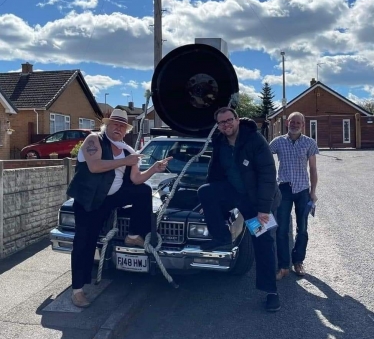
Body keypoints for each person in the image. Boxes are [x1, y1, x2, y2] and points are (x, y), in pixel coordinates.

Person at [66, 109, 172, 308]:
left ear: (125, 130)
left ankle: (133, 234)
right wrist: (125, 161)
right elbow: (94, 166)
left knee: (143, 191)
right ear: (107, 125)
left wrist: (154, 168)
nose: (118, 127)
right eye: (115, 123)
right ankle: (78, 290)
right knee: (84, 243)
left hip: (110, 198)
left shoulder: (127, 150)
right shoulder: (94, 140)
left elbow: (135, 179)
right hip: (88, 201)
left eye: (122, 125)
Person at [198, 107, 282, 312]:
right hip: (235, 193)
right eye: (221, 122)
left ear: (237, 120)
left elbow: (268, 174)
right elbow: (215, 172)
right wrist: (213, 207)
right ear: (217, 125)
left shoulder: (254, 140)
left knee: (262, 243)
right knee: (205, 192)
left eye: (229, 120)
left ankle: (271, 292)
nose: (226, 125)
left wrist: (263, 209)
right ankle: (221, 238)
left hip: (256, 201)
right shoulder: (220, 142)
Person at [269, 112, 319, 280]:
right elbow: (264, 158)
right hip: (283, 190)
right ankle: (283, 266)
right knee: (281, 229)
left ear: (303, 125)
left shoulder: (309, 143)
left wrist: (313, 192)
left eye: (299, 122)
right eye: (292, 121)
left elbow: (313, 169)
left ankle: (298, 261)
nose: (295, 124)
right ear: (287, 123)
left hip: (303, 190)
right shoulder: (278, 142)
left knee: (302, 228)